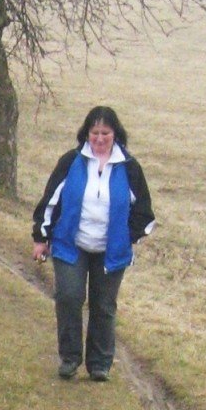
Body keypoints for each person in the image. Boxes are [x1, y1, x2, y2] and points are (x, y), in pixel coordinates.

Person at [31, 106, 155, 382]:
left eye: (105, 133)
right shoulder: (71, 162)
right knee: (69, 297)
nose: (99, 138)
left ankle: (99, 364)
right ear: (86, 134)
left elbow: (145, 215)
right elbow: (49, 202)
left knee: (104, 306)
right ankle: (70, 358)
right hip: (70, 245)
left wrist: (126, 236)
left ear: (116, 135)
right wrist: (40, 238)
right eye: (94, 133)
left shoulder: (130, 169)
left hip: (111, 252)